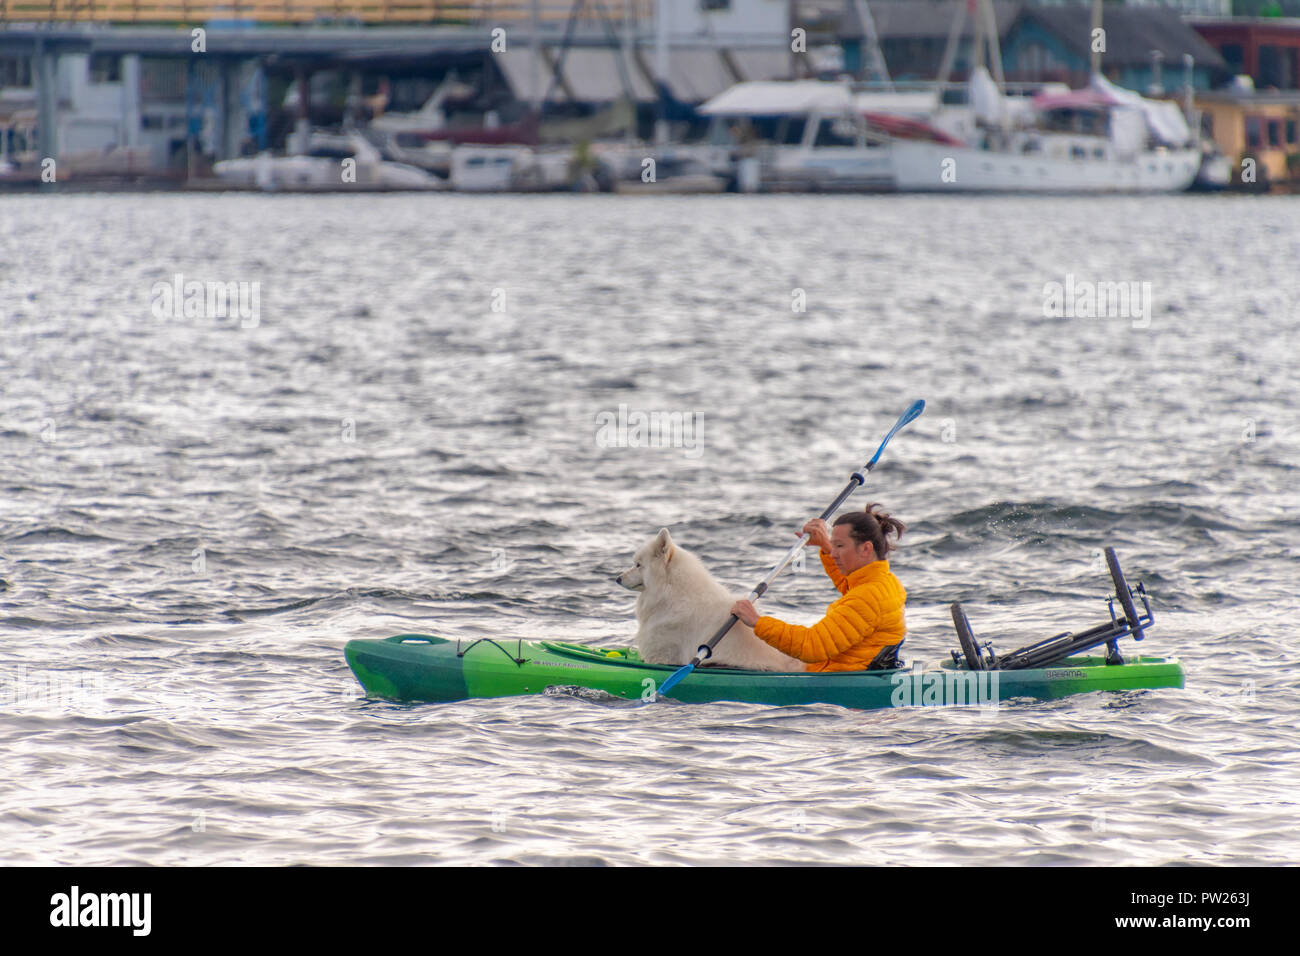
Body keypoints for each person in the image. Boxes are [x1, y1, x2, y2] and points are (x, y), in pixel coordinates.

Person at [730, 505, 907, 672]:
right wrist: (824, 544)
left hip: (839, 681)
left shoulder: (867, 597)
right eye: (833, 545)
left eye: (839, 546)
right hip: (846, 669)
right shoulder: (885, 581)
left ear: (866, 548)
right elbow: (851, 587)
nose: (833, 553)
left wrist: (757, 622)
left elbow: (812, 645)